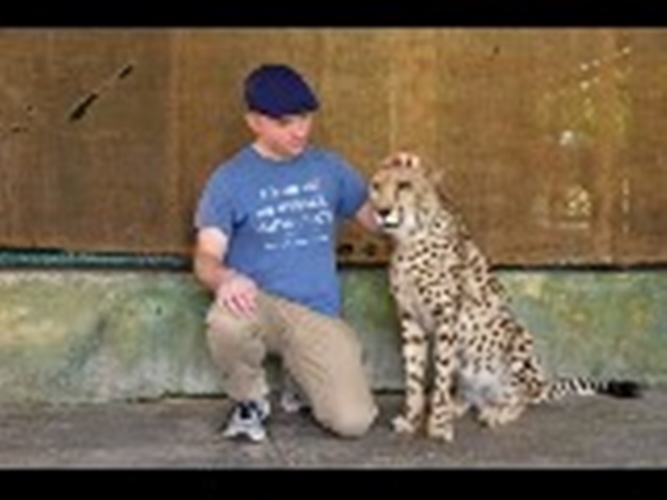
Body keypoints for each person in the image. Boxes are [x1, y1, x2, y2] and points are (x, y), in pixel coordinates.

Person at [193, 63, 380, 442]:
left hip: (317, 313)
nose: (300, 131)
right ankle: (250, 402)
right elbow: (206, 257)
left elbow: (377, 222)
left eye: (305, 118)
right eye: (285, 122)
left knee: (353, 422)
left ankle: (302, 380)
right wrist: (226, 278)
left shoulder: (330, 168)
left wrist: (403, 182)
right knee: (226, 321)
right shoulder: (230, 179)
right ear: (254, 122)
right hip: (259, 303)